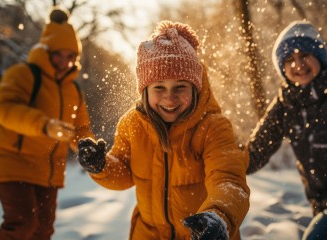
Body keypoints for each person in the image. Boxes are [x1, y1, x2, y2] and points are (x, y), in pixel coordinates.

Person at [77, 20, 250, 240]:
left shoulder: (213, 128)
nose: (170, 97)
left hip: (202, 234)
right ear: (145, 91)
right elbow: (123, 172)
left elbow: (229, 180)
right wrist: (101, 166)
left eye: (180, 87)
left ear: (196, 89)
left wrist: (219, 216)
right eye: (159, 87)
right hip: (148, 233)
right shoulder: (133, 124)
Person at [246, 20, 327, 239]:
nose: (298, 64)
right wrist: (221, 160)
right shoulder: (285, 105)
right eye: (289, 60)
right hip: (326, 203)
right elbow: (255, 152)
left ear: (319, 57)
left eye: (304, 55)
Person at [0, 7, 93, 240]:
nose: (66, 62)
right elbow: (5, 109)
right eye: (60, 54)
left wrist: (87, 147)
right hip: (13, 163)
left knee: (43, 231)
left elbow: (81, 129)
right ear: (46, 51)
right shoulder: (24, 74)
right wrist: (45, 125)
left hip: (48, 173)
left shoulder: (73, 90)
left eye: (71, 56)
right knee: (22, 223)